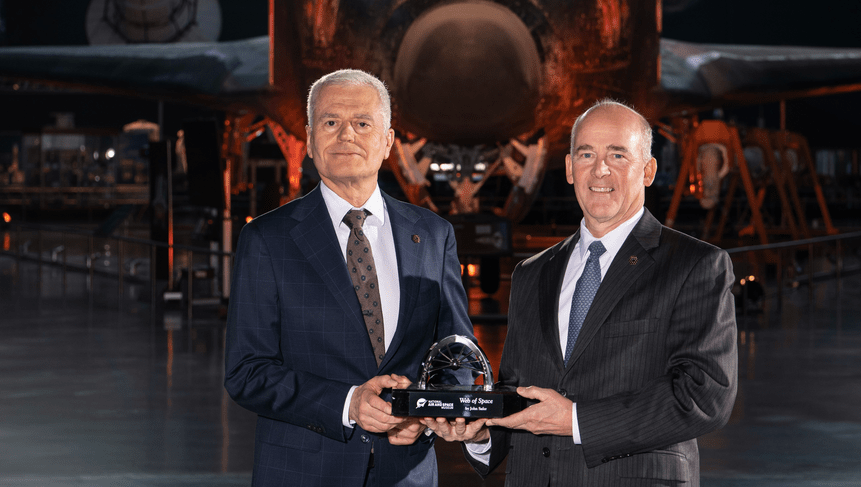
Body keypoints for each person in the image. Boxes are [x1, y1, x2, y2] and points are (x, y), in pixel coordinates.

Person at [428, 100, 738, 487]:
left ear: (648, 171)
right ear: (570, 169)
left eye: (618, 154)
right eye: (586, 154)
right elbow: (519, 389)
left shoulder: (695, 265)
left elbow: (704, 396)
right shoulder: (532, 273)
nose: (600, 169)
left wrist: (575, 421)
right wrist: (482, 433)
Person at [225, 69, 474, 486]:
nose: (346, 135)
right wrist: (349, 403)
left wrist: (425, 412)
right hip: (303, 473)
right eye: (330, 122)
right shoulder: (266, 239)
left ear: (388, 141)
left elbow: (457, 356)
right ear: (308, 139)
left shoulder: (433, 235)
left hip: (407, 472)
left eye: (362, 123)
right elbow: (246, 372)